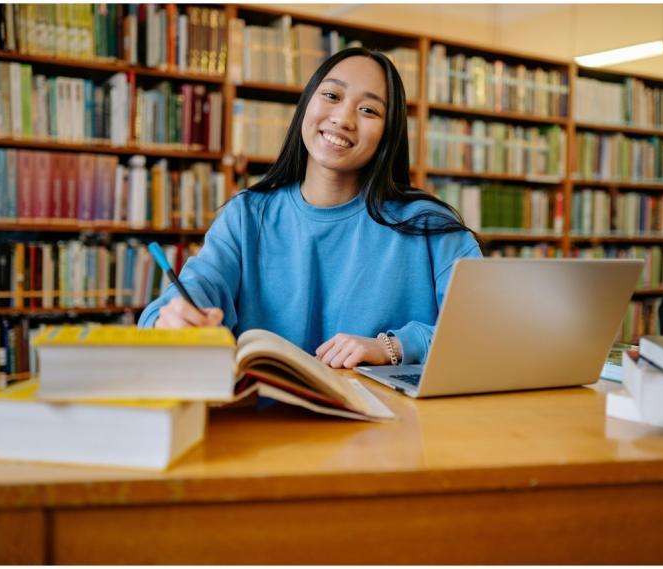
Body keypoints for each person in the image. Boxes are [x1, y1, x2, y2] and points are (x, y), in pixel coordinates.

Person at [138, 47, 482, 368]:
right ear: (306, 105)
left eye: (369, 110)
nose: (344, 119)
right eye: (331, 96)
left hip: (391, 428)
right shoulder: (245, 216)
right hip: (266, 426)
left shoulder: (430, 226)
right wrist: (172, 317)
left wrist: (393, 346)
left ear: (388, 133)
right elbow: (200, 285)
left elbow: (484, 333)